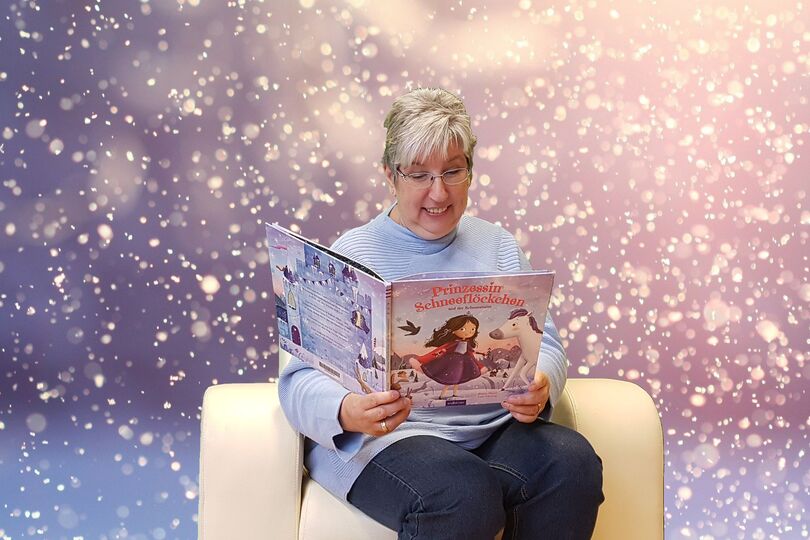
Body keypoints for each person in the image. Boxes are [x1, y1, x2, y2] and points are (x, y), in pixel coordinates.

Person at [278, 88, 604, 539]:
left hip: (491, 430)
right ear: (390, 175)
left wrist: (541, 384)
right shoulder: (353, 254)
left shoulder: (497, 245)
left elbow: (543, 341)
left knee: (572, 463)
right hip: (389, 440)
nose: (439, 192)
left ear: (470, 170)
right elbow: (299, 379)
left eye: (453, 171)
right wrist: (347, 411)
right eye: (419, 175)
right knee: (460, 492)